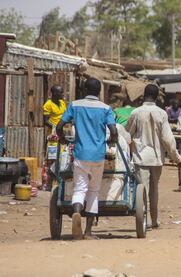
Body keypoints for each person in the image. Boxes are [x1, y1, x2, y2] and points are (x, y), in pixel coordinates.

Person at [56, 77, 118, 240]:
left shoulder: (75, 105)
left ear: (84, 90)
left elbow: (59, 126)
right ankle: (88, 232)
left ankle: (76, 212)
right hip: (98, 155)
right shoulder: (106, 108)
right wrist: (112, 140)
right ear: (99, 92)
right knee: (93, 190)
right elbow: (113, 130)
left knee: (79, 188)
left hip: (80, 154)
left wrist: (62, 138)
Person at [126, 84, 181, 228]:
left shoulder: (136, 113)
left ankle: (142, 219)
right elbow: (168, 139)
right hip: (156, 159)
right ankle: (154, 220)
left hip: (140, 157)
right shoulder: (162, 113)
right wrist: (178, 158)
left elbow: (127, 135)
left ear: (143, 95)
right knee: (154, 190)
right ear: (157, 96)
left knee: (142, 189)